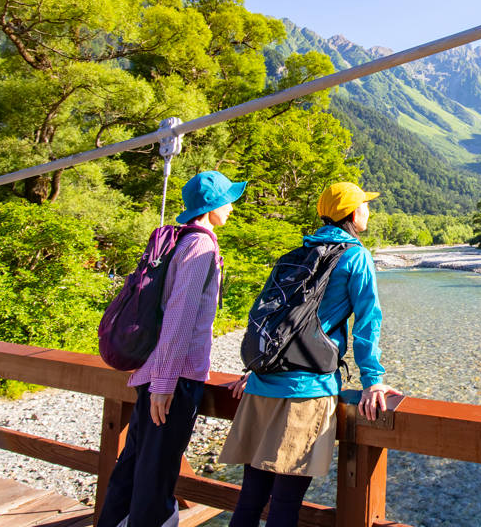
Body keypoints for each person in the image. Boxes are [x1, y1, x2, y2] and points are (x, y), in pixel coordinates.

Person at [220, 182, 400, 527]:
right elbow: (367, 321)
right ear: (352, 212)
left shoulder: (299, 252)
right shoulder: (356, 256)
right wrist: (373, 380)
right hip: (306, 391)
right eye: (364, 205)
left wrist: (256, 367)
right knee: (285, 505)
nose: (368, 211)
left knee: (250, 500)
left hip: (262, 384)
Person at [98, 170, 248, 527]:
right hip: (173, 379)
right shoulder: (202, 246)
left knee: (133, 467)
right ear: (212, 206)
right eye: (227, 201)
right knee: (157, 476)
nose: (231, 208)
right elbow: (180, 317)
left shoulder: (180, 240)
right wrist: (165, 385)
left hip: (154, 371)